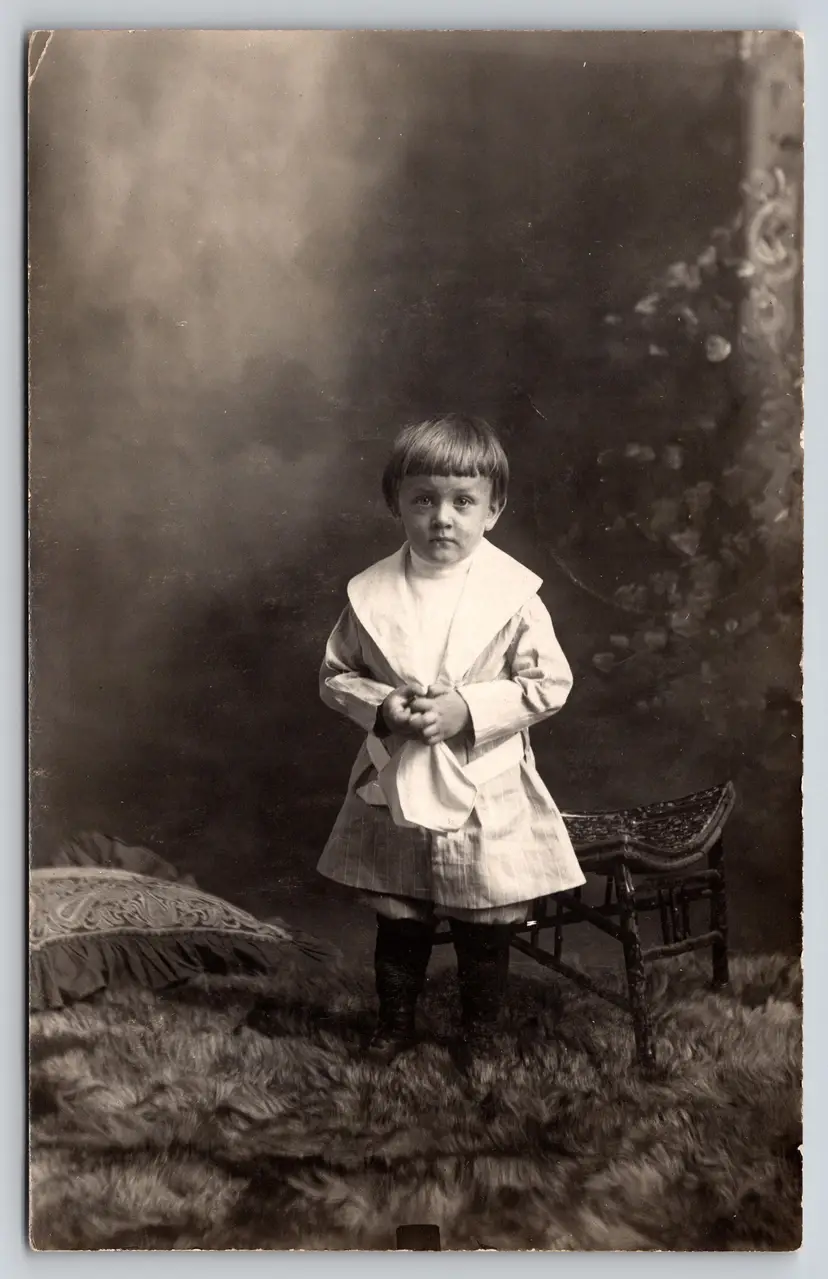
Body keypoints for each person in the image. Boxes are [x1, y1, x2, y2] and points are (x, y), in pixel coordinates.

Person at [316, 413, 585, 1068]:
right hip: (398, 782)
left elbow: (550, 680)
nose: (442, 517)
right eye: (424, 499)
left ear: (493, 510)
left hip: (481, 784)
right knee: (400, 915)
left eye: (463, 501)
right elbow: (336, 675)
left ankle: (482, 1034)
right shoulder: (370, 595)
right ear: (397, 505)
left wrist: (470, 707)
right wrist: (385, 705)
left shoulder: (514, 597)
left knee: (482, 922)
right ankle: (395, 1023)